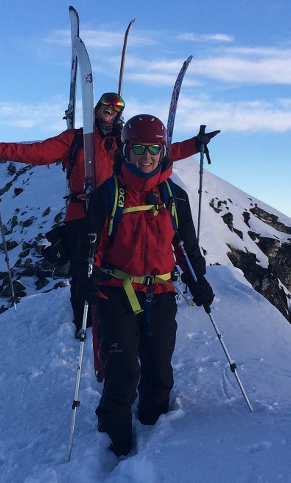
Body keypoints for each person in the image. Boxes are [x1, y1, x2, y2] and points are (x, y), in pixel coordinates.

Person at [0, 94, 218, 325]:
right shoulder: (76, 139)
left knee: (119, 266)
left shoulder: (125, 141)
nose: (110, 111)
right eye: (106, 107)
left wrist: (195, 144)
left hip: (120, 209)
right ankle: (85, 322)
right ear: (97, 108)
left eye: (116, 109)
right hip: (82, 211)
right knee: (83, 269)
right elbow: (38, 152)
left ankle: (117, 319)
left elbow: (158, 151)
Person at [83, 114, 214, 458]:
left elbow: (185, 247)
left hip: (161, 293)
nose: (146, 156)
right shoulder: (108, 194)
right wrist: (86, 279)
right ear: (125, 150)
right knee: (123, 372)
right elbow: (90, 248)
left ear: (163, 151)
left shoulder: (175, 197)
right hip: (115, 292)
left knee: (159, 370)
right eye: (138, 147)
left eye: (154, 148)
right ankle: (114, 446)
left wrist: (198, 281)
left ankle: (157, 443)